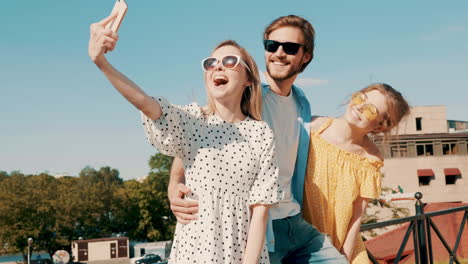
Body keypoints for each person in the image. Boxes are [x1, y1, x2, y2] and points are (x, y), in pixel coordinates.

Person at [88, 14, 280, 264]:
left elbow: (260, 211)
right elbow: (147, 104)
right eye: (210, 63)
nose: (218, 66)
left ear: (248, 79)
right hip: (194, 252)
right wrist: (101, 61)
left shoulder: (261, 133)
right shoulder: (193, 120)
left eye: (230, 60)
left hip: (242, 254)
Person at [168, 15, 349, 263]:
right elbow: (199, 135)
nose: (279, 53)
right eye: (271, 46)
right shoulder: (246, 97)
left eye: (290, 47)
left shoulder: (301, 102)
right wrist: (174, 183)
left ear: (305, 56)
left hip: (295, 222)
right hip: (259, 228)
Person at [302, 83, 410, 263]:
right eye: (360, 98)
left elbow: (355, 218)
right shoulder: (315, 127)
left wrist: (342, 258)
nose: (359, 107)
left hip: (345, 246)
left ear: (380, 127)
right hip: (302, 242)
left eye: (371, 110)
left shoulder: (371, 159)